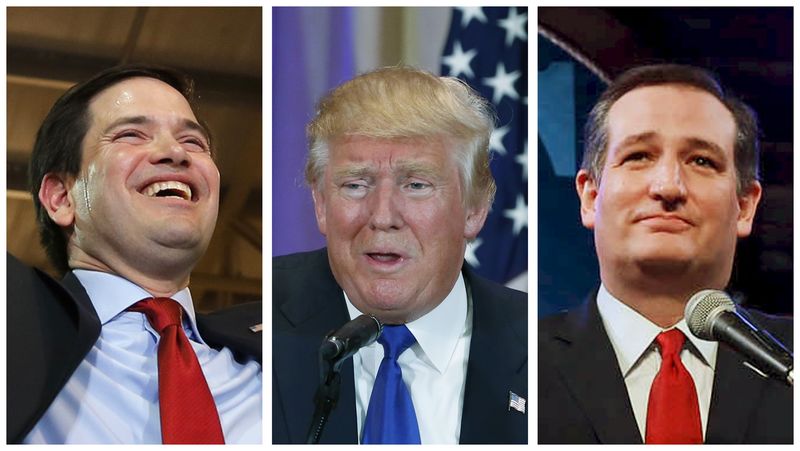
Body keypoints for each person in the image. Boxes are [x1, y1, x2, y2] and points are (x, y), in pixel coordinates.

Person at [7, 65, 262, 444]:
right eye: (131, 134)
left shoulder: (290, 341)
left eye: (194, 142)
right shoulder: (15, 321)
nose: (176, 152)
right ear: (61, 198)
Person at [538, 64, 792, 444]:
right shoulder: (512, 363)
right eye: (639, 155)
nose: (668, 186)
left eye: (701, 161)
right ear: (591, 197)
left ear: (744, 206)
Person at [272, 66, 527, 444]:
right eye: (356, 185)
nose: (383, 217)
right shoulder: (257, 323)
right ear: (321, 203)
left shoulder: (538, 346)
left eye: (417, 185)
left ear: (474, 208)